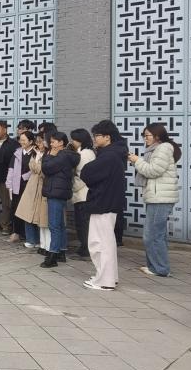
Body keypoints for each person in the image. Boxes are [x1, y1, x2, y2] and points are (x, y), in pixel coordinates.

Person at [128, 122, 181, 277]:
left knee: (152, 235)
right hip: (158, 197)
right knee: (158, 235)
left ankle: (160, 269)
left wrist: (137, 160)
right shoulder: (156, 149)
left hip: (160, 198)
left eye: (147, 135)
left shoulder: (163, 148)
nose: (145, 139)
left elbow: (153, 171)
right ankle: (155, 266)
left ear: (157, 136)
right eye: (144, 136)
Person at [80, 120, 128, 291]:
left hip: (104, 202)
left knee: (99, 243)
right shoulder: (114, 153)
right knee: (106, 242)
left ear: (107, 137)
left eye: (97, 136)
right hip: (108, 202)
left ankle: (105, 281)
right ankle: (109, 277)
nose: (95, 139)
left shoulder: (109, 156)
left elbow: (87, 172)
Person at [40, 131, 79, 268]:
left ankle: (52, 256)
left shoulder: (61, 156)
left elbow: (46, 168)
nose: (51, 144)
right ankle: (61, 251)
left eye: (53, 142)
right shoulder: (67, 155)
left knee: (54, 225)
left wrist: (50, 155)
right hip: (60, 191)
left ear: (61, 142)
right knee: (60, 224)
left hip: (56, 192)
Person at [15, 132, 46, 250]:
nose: (39, 144)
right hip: (32, 186)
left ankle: (38, 240)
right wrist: (37, 157)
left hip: (41, 186)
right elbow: (32, 167)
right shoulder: (35, 153)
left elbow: (40, 170)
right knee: (27, 213)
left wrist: (37, 159)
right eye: (37, 142)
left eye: (41, 141)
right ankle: (30, 239)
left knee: (38, 216)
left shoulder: (48, 155)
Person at [70, 129, 96, 260]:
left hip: (83, 193)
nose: (72, 142)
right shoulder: (85, 152)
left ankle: (86, 248)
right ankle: (84, 246)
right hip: (82, 193)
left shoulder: (85, 154)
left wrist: (72, 187)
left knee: (83, 223)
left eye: (74, 139)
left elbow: (82, 176)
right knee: (82, 222)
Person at [6, 131, 33, 242]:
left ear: (31, 141)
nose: (21, 142)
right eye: (20, 140)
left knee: (27, 210)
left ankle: (27, 235)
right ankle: (16, 232)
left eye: (24, 140)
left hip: (29, 185)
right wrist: (9, 183)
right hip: (17, 186)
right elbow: (11, 169)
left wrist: (24, 177)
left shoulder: (35, 153)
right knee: (16, 209)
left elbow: (35, 169)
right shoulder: (17, 152)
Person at [0, 120, 18, 235]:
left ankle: (6, 225)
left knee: (6, 204)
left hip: (5, 178)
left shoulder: (13, 144)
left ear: (4, 129)